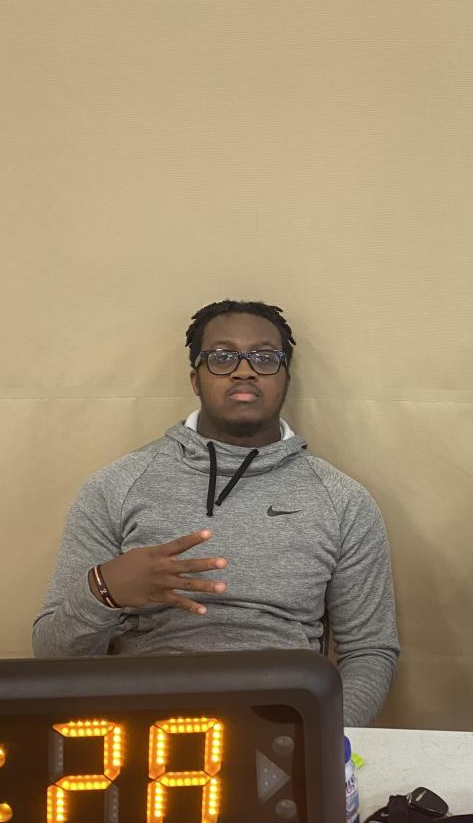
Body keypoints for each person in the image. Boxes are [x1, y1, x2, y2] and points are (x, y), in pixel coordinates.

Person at [34, 299, 399, 726]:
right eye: (223, 357)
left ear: (285, 378)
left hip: (283, 726)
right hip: (140, 728)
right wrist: (104, 589)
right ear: (195, 378)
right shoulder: (115, 486)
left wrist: (327, 737)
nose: (244, 371)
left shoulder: (344, 501)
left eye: (264, 358)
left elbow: (370, 650)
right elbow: (51, 656)